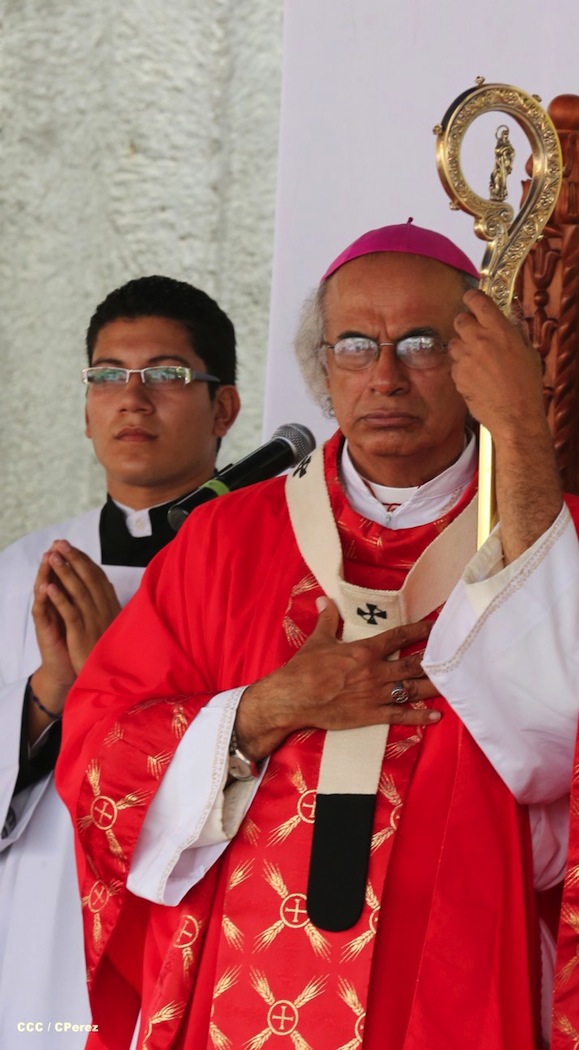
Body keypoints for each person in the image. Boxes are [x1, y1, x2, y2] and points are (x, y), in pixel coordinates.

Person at [57, 223, 579, 1050]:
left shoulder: (563, 540)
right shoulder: (222, 541)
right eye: (355, 345)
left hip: (454, 986)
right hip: (240, 991)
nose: (385, 375)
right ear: (324, 368)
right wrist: (262, 710)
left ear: (479, 361)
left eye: (423, 343)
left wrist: (526, 442)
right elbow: (102, 752)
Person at [0, 275, 239, 1045]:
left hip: (195, 912)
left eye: (167, 376)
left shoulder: (264, 568)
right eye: (107, 376)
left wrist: (117, 674)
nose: (132, 399)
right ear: (86, 408)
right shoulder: (21, 572)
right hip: (45, 918)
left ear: (224, 408)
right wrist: (47, 695)